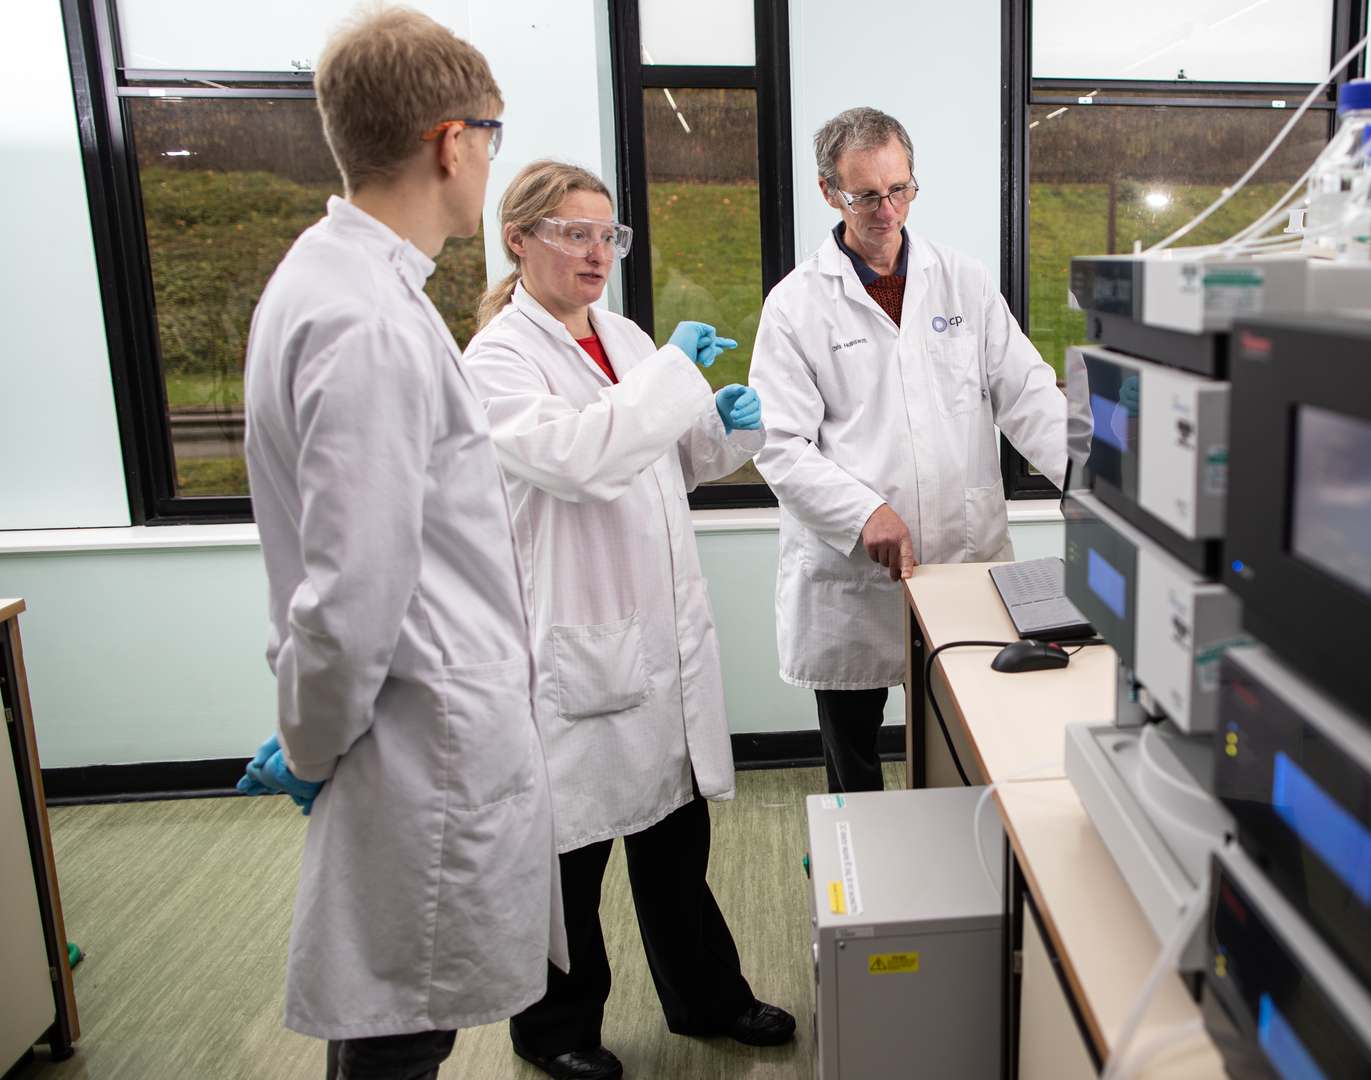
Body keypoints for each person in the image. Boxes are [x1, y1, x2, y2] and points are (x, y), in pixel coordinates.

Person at [236, 9, 563, 1079]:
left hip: (423, 735)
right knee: (396, 1036)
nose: (487, 160)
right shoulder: (366, 321)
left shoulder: (345, 282)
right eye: (493, 136)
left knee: (396, 1025)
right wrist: (314, 746)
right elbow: (352, 591)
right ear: (449, 140)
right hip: (416, 751)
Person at [463, 160, 796, 1080]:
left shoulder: (623, 333)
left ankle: (706, 999)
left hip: (656, 640)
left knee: (674, 841)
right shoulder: (496, 359)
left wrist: (725, 429)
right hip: (577, 642)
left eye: (607, 234)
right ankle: (558, 1030)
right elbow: (578, 458)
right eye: (572, 232)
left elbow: (664, 459)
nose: (596, 251)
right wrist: (677, 375)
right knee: (568, 862)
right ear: (519, 241)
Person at [749, 107, 1068, 793]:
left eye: (900, 189)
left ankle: (957, 874)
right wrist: (864, 513)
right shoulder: (796, 306)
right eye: (867, 194)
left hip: (959, 553)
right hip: (852, 576)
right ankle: (862, 888)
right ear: (828, 190)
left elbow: (1026, 393)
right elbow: (778, 444)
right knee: (855, 763)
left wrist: (1092, 478)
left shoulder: (963, 282)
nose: (887, 210)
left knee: (967, 738)